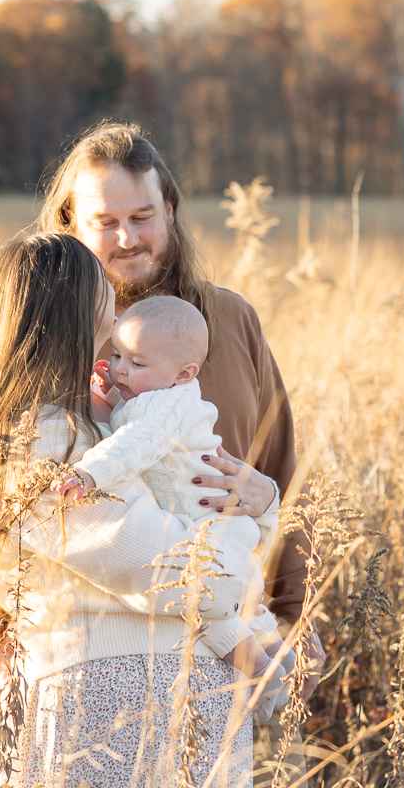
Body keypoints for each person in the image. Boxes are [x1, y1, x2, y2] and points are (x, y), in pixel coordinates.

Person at [0, 232, 256, 786]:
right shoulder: (42, 443)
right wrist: (241, 564)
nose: (117, 291)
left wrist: (259, 497)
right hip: (119, 698)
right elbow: (196, 578)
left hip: (132, 694)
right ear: (76, 307)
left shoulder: (90, 423)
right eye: (102, 283)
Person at [34, 122, 325, 690]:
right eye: (105, 222)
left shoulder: (232, 321)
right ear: (70, 224)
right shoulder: (49, 342)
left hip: (245, 641)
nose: (127, 239)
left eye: (142, 217)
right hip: (103, 665)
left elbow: (286, 469)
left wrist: (298, 614)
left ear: (169, 208)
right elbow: (8, 494)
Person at [56, 295, 294, 718]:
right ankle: (270, 655)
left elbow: (137, 443)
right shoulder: (158, 396)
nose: (120, 369)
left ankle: (263, 671)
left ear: (184, 373)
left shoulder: (168, 406)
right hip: (206, 514)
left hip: (209, 518)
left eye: (137, 363)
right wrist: (113, 399)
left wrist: (90, 473)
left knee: (212, 604)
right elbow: (137, 420)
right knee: (231, 600)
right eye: (116, 354)